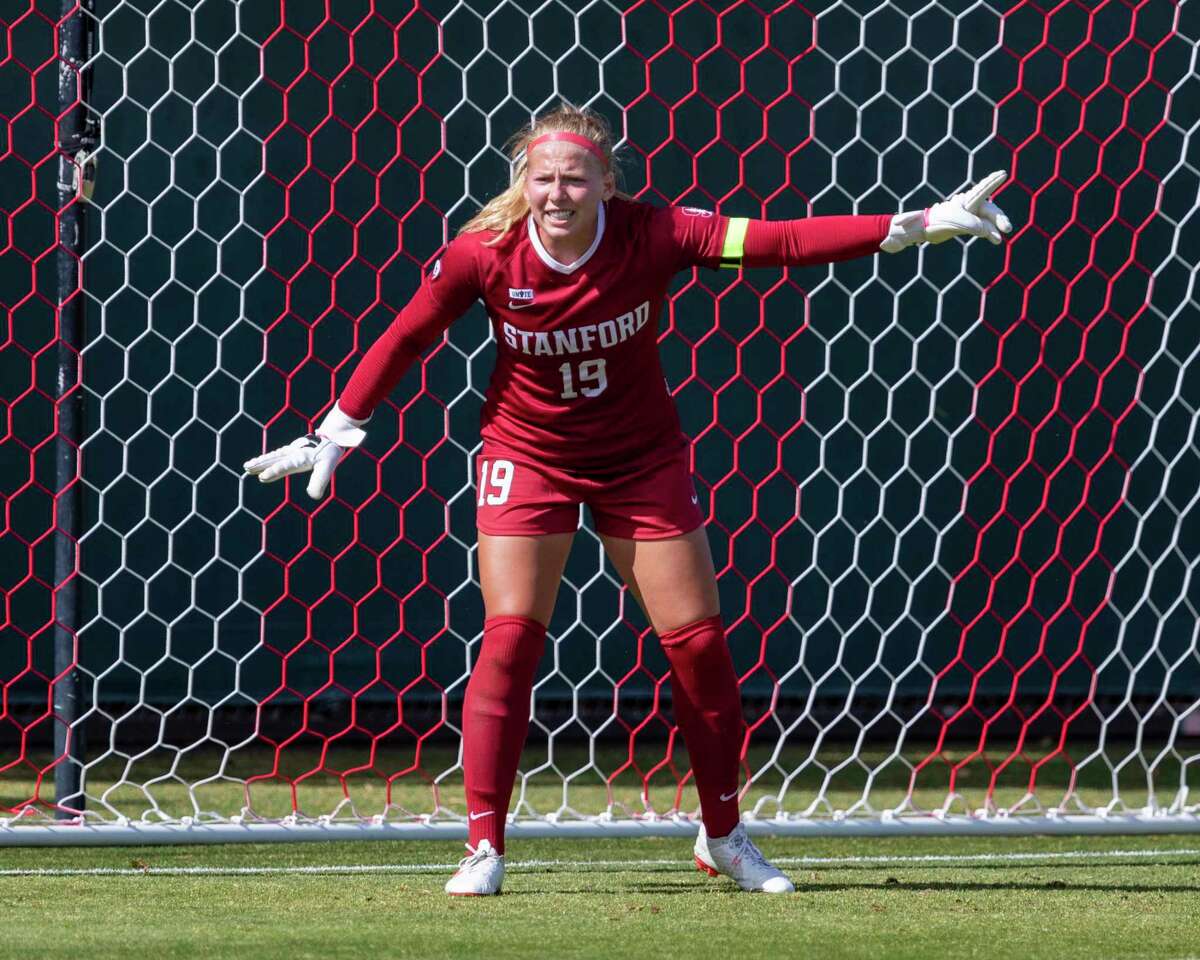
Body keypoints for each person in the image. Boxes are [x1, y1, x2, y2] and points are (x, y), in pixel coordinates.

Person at [244, 103, 1012, 895]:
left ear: (607, 184)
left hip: (640, 461)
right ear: (524, 183)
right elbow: (407, 334)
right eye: (542, 178)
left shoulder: (657, 232)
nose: (557, 193)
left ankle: (724, 837)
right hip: (527, 457)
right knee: (508, 639)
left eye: (575, 178)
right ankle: (483, 847)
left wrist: (921, 223)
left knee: (701, 648)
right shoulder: (484, 254)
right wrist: (336, 430)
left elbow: (779, 241)